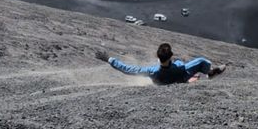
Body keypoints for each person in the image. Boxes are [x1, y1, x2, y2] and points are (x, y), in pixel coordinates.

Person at [95, 43, 225, 85]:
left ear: (158, 56)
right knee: (201, 61)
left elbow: (127, 69)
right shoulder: (180, 66)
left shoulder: (152, 71)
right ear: (171, 56)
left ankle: (201, 76)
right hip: (181, 77)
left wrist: (109, 59)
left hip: (162, 81)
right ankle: (210, 73)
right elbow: (202, 62)